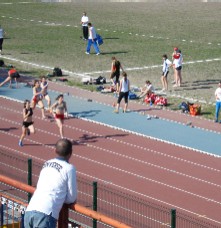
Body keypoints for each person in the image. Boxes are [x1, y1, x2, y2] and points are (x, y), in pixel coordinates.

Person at [24, 138, 77, 228]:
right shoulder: (69, 168)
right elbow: (71, 198)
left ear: (55, 150)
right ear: (70, 153)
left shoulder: (47, 163)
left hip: (30, 210)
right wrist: (61, 197)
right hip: (46, 213)